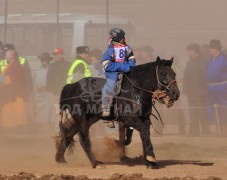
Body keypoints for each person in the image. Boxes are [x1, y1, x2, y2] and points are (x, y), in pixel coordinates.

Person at [101, 28, 136, 127]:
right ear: (119, 38)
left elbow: (132, 60)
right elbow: (106, 65)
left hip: (128, 74)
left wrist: (130, 66)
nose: (124, 39)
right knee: (110, 87)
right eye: (123, 37)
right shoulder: (110, 51)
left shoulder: (128, 48)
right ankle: (107, 110)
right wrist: (124, 67)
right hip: (113, 75)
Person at [183, 43, 210, 136]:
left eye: (188, 51)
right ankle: (194, 132)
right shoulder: (189, 62)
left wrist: (205, 91)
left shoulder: (204, 62)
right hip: (191, 93)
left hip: (201, 93)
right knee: (193, 114)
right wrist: (185, 88)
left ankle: (206, 132)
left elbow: (207, 78)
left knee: (202, 114)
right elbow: (185, 76)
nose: (187, 53)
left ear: (194, 51)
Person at [0, 50, 28, 128]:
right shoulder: (11, 65)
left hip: (15, 95)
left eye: (6, 55)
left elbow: (14, 80)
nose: (5, 56)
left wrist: (2, 79)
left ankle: (15, 129)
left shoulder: (16, 66)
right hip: (9, 94)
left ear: (12, 56)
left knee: (15, 114)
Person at [207, 40, 227, 136]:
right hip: (211, 87)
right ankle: (217, 129)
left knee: (223, 108)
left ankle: (224, 129)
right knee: (212, 108)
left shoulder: (224, 59)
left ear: (217, 49)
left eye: (211, 48)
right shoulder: (211, 59)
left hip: (222, 86)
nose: (209, 50)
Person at [33, 52, 53, 131]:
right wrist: (36, 91)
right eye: (42, 60)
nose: (43, 61)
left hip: (47, 93)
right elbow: (34, 82)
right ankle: (41, 128)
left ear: (48, 60)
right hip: (38, 94)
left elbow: (52, 80)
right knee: (40, 112)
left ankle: (48, 127)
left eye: (45, 59)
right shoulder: (38, 69)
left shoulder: (51, 69)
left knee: (48, 112)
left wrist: (48, 89)